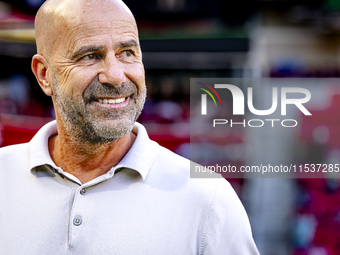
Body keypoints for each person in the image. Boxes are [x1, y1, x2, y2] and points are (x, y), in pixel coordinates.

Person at [0, 0, 260, 254]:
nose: (115, 75)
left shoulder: (209, 201)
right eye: (90, 56)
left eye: (127, 53)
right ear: (44, 74)